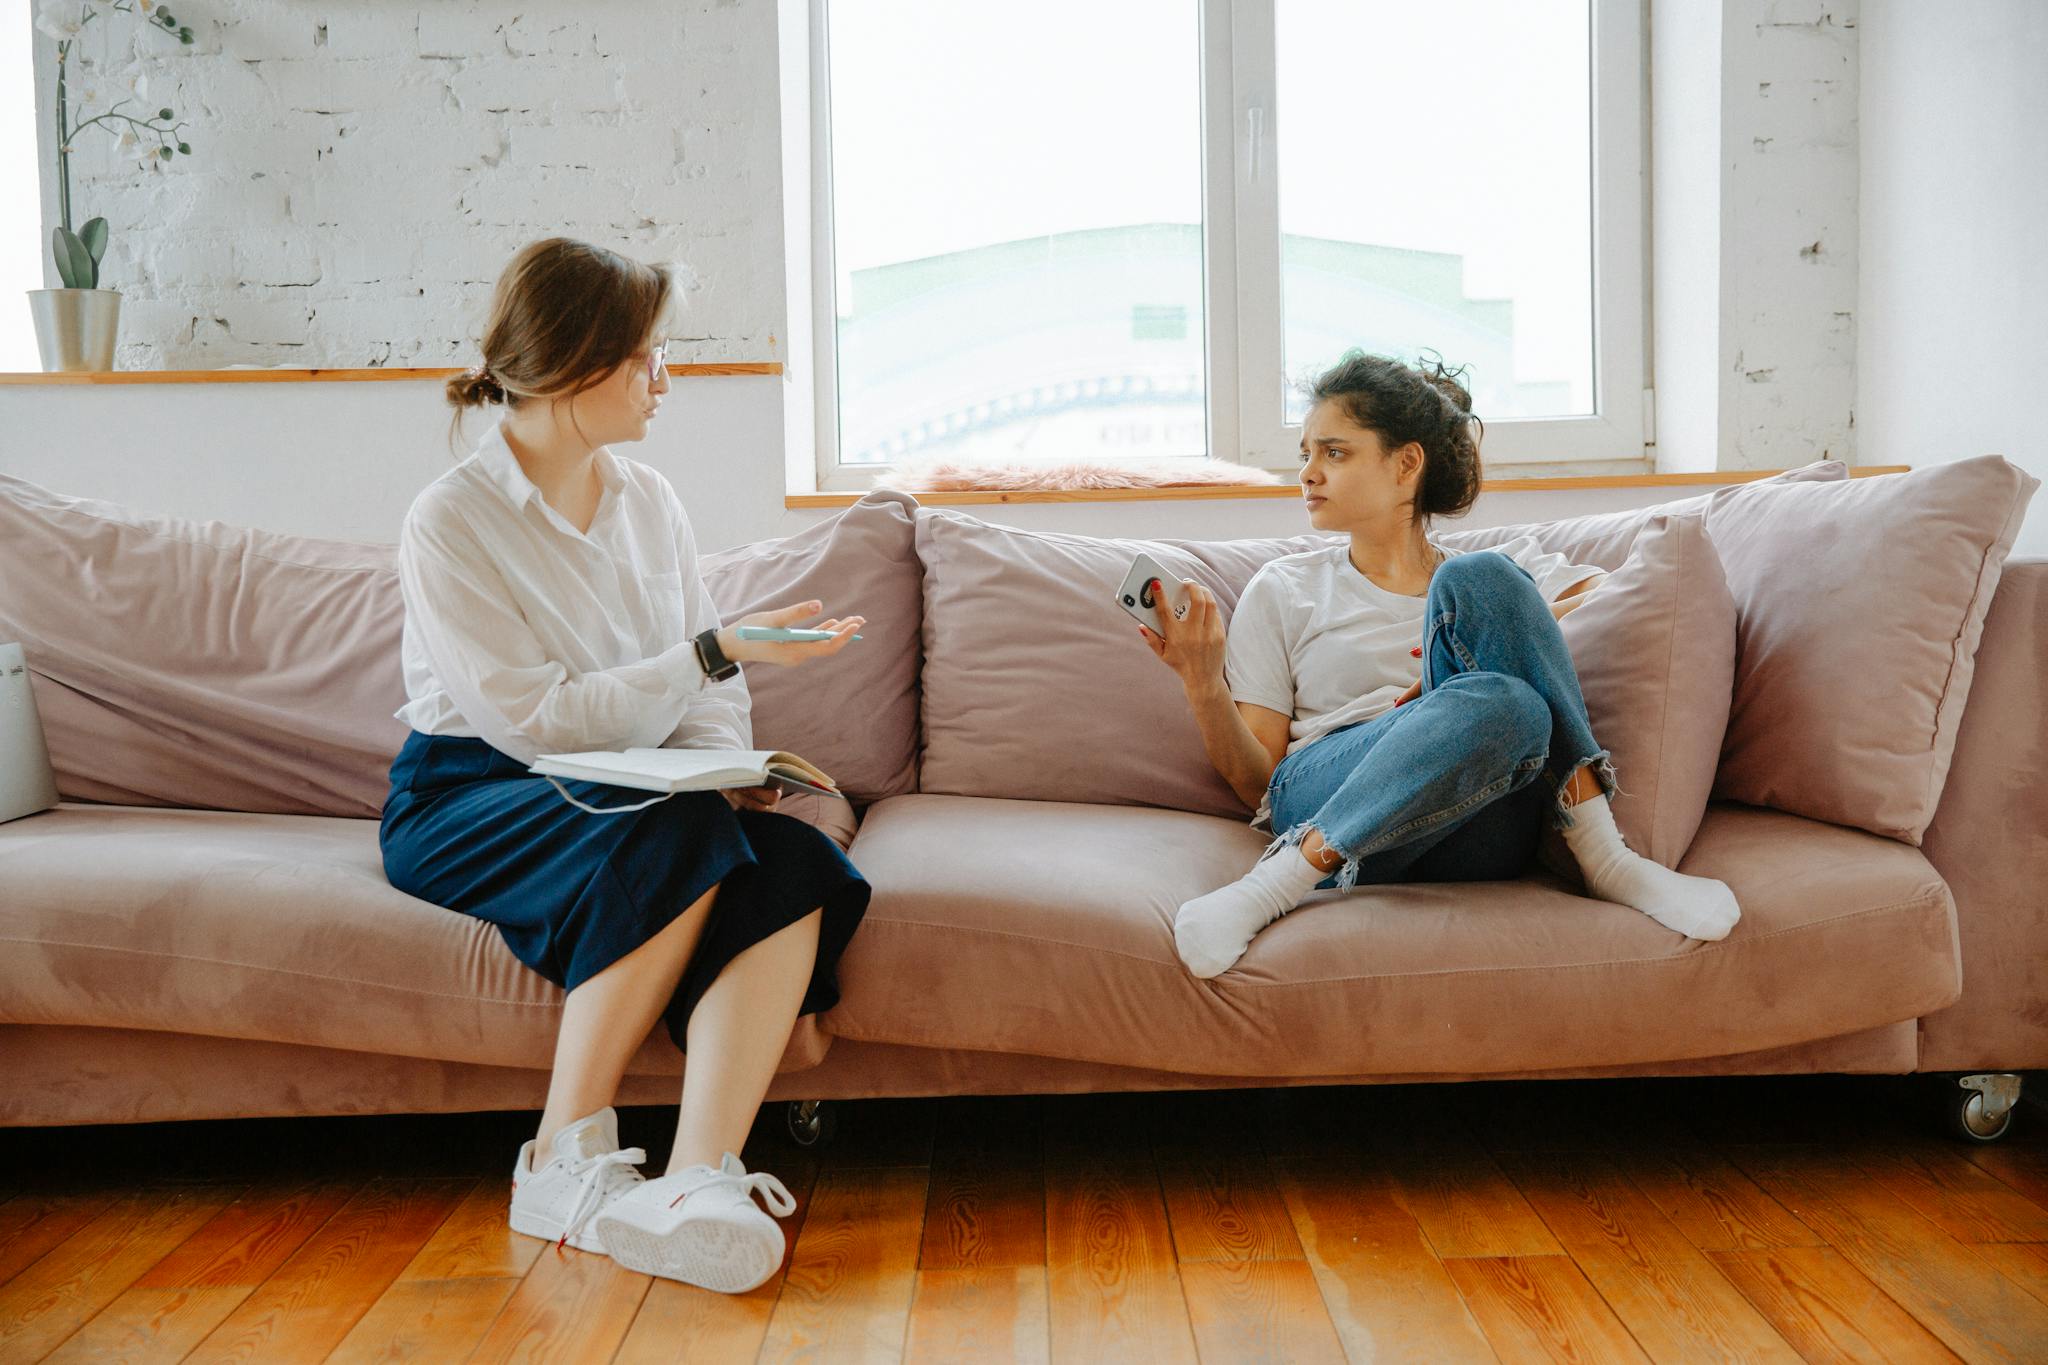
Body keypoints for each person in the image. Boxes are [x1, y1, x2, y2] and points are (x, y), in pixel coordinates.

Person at [380, 237, 870, 1293]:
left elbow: (709, 693)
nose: (665, 379)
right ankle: (561, 1157)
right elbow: (535, 720)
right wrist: (709, 657)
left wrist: (723, 766)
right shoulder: (449, 523)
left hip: (637, 787)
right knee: (683, 834)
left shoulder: (648, 498)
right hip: (475, 791)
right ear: (575, 363)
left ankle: (694, 1180)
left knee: (792, 865)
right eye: (647, 356)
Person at [1142, 351, 1740, 978]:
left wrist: (1452, 689)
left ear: (1405, 464)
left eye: (1334, 453)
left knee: (1495, 643)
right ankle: (1272, 887)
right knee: (1498, 666)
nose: (1309, 474)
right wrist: (1202, 680)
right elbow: (1256, 781)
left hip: (1477, 817)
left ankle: (1605, 857)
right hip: (1330, 790)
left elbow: (1618, 596)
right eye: (1305, 455)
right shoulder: (1285, 587)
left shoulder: (1495, 571)